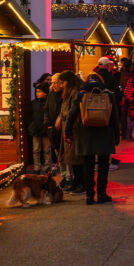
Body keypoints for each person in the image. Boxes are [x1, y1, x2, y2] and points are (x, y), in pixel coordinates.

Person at [64, 74, 119, 204]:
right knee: (103, 166)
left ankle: (89, 196)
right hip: (105, 134)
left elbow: (71, 115)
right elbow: (115, 117)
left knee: (88, 166)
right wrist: (116, 136)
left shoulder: (81, 95)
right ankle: (101, 194)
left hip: (85, 135)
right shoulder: (109, 95)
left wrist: (68, 132)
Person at [58, 71, 85, 195]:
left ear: (68, 81)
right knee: (72, 158)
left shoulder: (74, 92)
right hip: (69, 127)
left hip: (74, 129)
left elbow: (72, 112)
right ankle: (77, 181)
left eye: (62, 82)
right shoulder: (71, 92)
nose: (61, 85)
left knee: (76, 158)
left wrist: (63, 119)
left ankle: (81, 183)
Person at [44, 73, 65, 184]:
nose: (54, 85)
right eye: (52, 82)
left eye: (56, 82)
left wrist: (60, 119)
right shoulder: (51, 94)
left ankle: (68, 176)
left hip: (63, 128)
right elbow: (46, 109)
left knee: (64, 154)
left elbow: (65, 110)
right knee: (58, 153)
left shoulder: (64, 94)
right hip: (53, 128)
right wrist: (48, 124)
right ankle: (64, 175)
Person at [28, 82, 51, 174]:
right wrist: (30, 126)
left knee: (47, 149)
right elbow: (29, 115)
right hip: (36, 129)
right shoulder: (33, 103)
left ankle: (47, 166)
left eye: (40, 92)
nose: (37, 93)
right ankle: (37, 167)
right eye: (36, 91)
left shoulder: (49, 102)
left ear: (45, 92)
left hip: (46, 129)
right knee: (36, 149)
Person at [119, 58, 134, 142]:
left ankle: (124, 134)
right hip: (131, 97)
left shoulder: (122, 75)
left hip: (123, 97)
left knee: (123, 117)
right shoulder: (133, 76)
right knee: (130, 117)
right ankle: (129, 136)